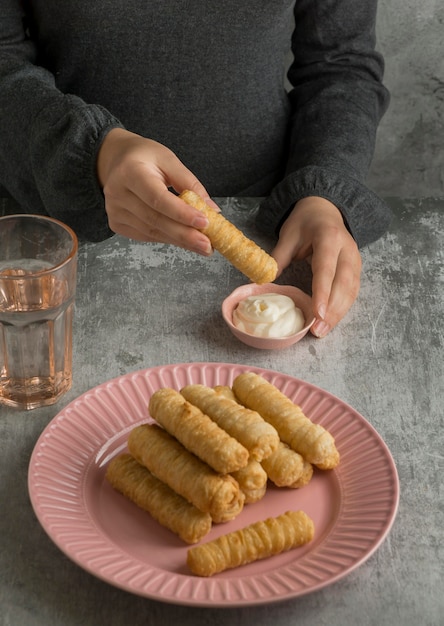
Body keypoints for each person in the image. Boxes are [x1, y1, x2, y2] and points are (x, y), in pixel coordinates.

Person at [0, 0, 391, 338]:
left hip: (269, 232)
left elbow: (340, 64)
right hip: (54, 254)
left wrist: (324, 188)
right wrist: (91, 149)